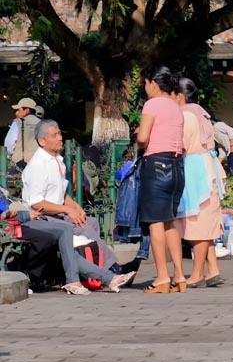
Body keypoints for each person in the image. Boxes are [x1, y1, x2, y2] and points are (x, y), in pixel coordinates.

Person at [18, 119, 134, 294]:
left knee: (91, 222)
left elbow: (61, 194)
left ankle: (98, 272)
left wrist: (75, 207)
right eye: (54, 135)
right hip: (41, 217)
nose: (60, 138)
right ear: (42, 141)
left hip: (56, 213)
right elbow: (37, 203)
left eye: (59, 134)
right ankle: (111, 271)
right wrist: (67, 210)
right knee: (82, 229)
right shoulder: (38, 165)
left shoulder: (57, 160)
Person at [136, 66, 188, 294]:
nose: (145, 89)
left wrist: (138, 135)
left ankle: (161, 277)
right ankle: (179, 275)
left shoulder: (152, 104)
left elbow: (143, 137)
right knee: (170, 222)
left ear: (153, 83)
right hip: (177, 166)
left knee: (155, 222)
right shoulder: (176, 107)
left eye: (145, 84)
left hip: (156, 165)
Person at [174, 78, 226, 288]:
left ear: (179, 95)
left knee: (198, 223)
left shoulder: (186, 114)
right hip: (208, 166)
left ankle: (197, 273)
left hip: (196, 170)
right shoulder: (202, 112)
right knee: (207, 218)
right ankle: (212, 269)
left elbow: (182, 145)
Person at [5, 97, 41, 167]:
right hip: (40, 164)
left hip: (21, 165)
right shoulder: (42, 123)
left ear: (27, 110)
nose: (16, 113)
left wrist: (9, 157)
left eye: (19, 110)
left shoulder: (18, 122)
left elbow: (9, 144)